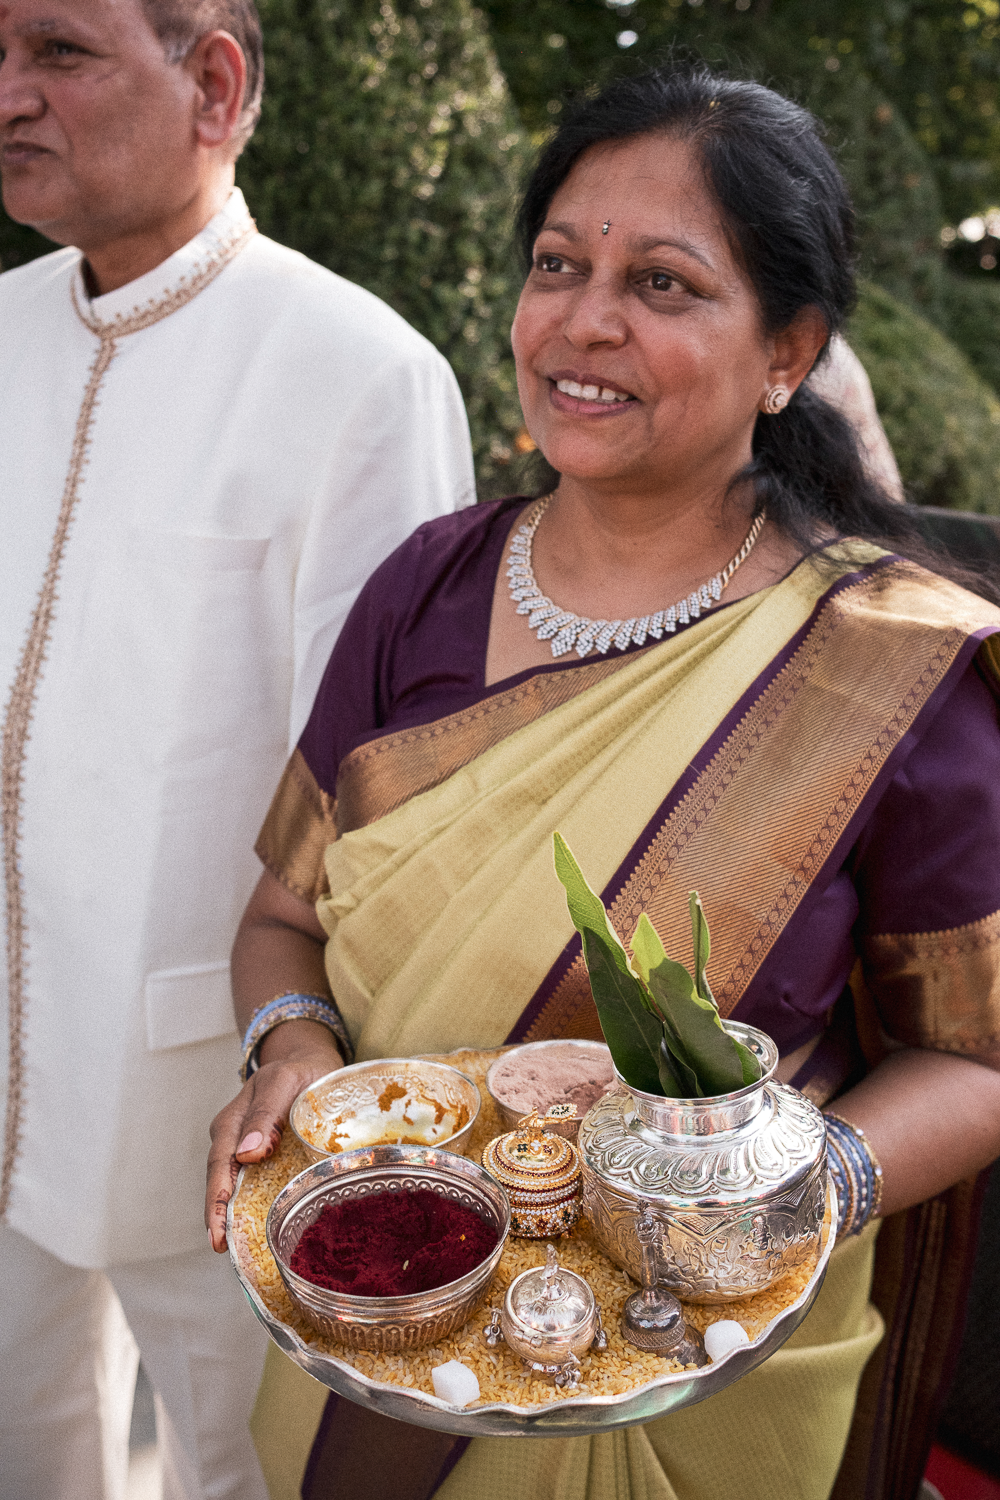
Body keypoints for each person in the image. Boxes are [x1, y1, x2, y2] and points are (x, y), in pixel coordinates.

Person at [206, 64, 1000, 1500]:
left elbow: (981, 1057)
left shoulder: (885, 664)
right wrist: (291, 1053)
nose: (584, 319)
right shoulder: (423, 589)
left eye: (666, 284)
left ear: (789, 350)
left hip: (693, 1360)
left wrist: (784, 1201)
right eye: (559, 265)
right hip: (386, 1310)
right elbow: (282, 916)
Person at [0, 0, 475, 1493]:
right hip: (3, 1035)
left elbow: (387, 798)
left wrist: (313, 1066)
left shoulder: (358, 372)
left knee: (237, 1469)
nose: (11, 95)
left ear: (214, 82)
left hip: (218, 1085)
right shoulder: (3, 332)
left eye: (59, 54)